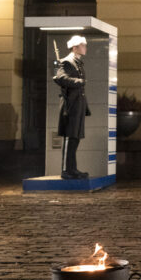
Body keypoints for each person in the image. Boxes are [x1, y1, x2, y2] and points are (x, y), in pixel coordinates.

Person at [53, 35, 90, 180]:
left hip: (78, 104)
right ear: (75, 47)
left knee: (75, 138)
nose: (85, 47)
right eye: (83, 45)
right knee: (70, 138)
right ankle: (66, 170)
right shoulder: (67, 62)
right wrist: (78, 81)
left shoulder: (77, 63)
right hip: (70, 105)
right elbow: (60, 78)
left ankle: (72, 169)